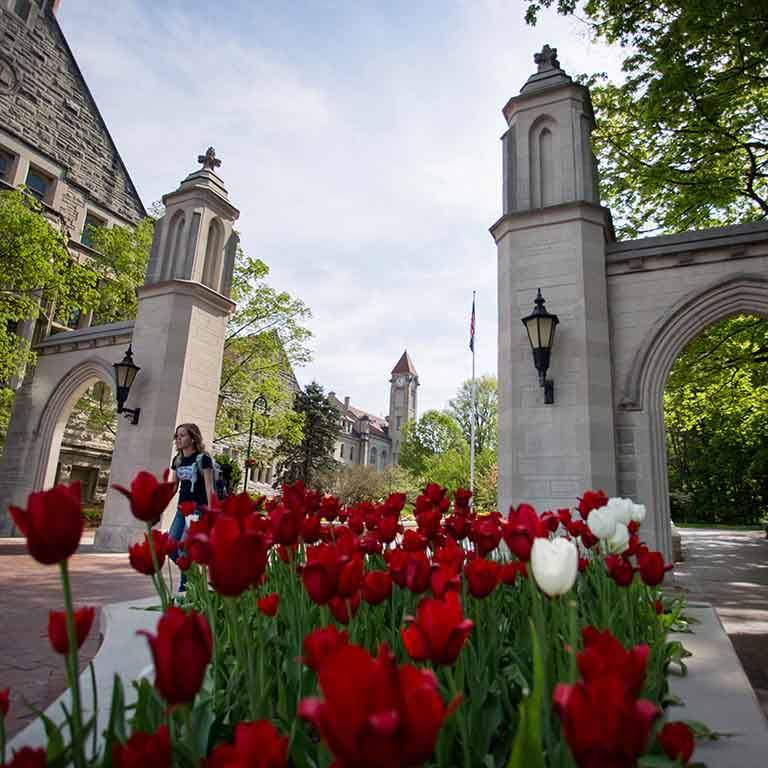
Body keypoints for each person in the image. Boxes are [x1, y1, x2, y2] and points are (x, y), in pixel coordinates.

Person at [168, 423, 215, 591]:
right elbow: (173, 487)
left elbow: (210, 488)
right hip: (182, 510)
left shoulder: (203, 459)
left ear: (193, 438)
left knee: (184, 550)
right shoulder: (178, 460)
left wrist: (211, 513)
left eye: (183, 436)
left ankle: (185, 589)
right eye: (177, 436)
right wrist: (159, 507)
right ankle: (193, 577)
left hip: (197, 511)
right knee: (171, 545)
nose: (178, 439)